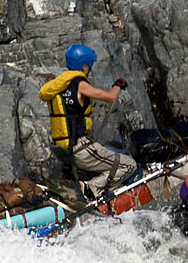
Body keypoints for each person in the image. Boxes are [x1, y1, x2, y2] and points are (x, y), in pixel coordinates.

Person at [39, 44, 137, 199]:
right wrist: (118, 85)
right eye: (89, 66)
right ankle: (92, 189)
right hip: (81, 149)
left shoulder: (59, 86)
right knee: (129, 164)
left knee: (111, 154)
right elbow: (110, 97)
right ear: (84, 66)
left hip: (66, 149)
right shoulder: (79, 84)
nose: (89, 69)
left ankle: (93, 189)